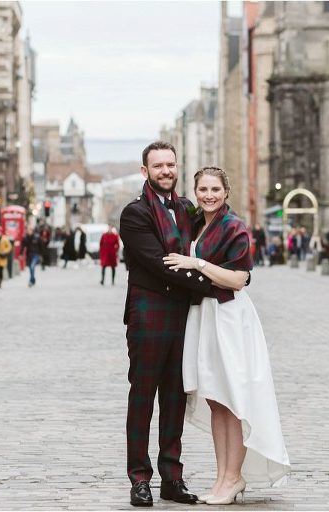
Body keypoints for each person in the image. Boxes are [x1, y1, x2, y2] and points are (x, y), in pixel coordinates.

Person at [164, 166, 289, 505]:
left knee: (231, 400)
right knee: (216, 400)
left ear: (225, 192)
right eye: (202, 188)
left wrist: (196, 264)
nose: (208, 195)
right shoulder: (197, 223)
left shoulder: (234, 227)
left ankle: (234, 477)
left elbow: (239, 279)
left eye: (215, 189)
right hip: (204, 314)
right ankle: (223, 477)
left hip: (229, 316)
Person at [119, 141, 215, 507]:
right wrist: (211, 281)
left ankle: (171, 477)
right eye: (157, 166)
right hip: (148, 314)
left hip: (183, 314)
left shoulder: (187, 208)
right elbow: (162, 263)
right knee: (143, 397)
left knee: (176, 397)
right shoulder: (135, 214)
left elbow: (205, 246)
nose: (165, 171)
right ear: (145, 171)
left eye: (170, 165)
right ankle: (139, 478)